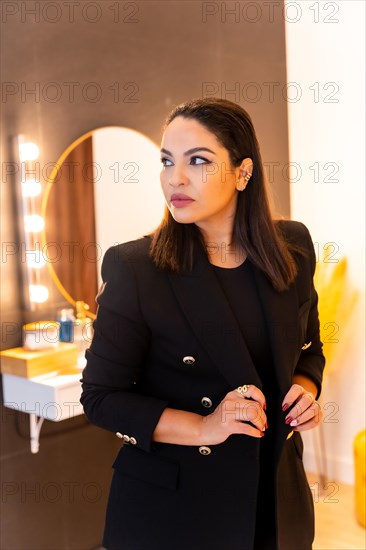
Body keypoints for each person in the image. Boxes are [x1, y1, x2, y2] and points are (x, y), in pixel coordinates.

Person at [80, 97, 325, 550]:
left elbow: (309, 349)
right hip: (175, 509)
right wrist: (204, 427)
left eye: (198, 161)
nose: (175, 177)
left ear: (242, 172)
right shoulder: (136, 267)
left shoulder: (293, 244)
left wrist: (305, 391)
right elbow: (99, 398)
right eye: (167, 161)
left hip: (275, 494)